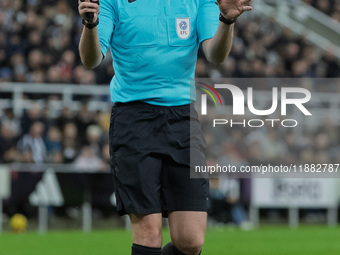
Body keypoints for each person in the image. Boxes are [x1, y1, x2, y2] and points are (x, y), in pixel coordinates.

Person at [78, 0, 252, 254]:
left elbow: (215, 54)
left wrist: (227, 21)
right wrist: (90, 24)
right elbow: (91, 59)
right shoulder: (110, 1)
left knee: (191, 241)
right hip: (133, 118)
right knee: (149, 235)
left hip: (182, 118)